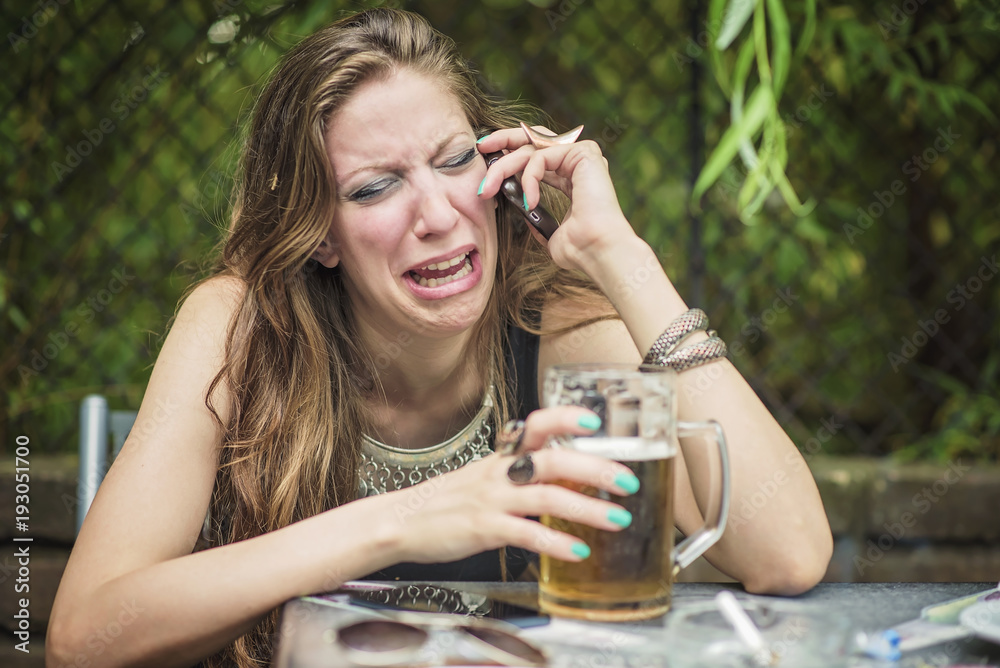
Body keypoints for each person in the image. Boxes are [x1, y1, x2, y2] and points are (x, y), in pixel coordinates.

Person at [47, 8, 832, 668]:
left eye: (455, 160)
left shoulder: (557, 334)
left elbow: (789, 552)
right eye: (375, 187)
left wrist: (620, 256)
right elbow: (82, 639)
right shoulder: (240, 327)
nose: (437, 213)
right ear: (320, 233)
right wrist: (404, 519)